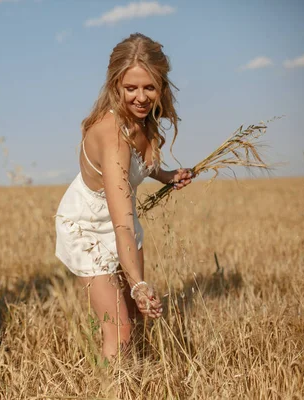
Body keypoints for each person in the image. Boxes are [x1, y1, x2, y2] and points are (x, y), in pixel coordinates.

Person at [54, 33, 193, 360]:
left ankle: (137, 383)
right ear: (115, 85)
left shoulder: (145, 123)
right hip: (88, 228)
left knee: (138, 317)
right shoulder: (111, 136)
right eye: (131, 88)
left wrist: (167, 176)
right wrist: (138, 283)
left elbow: (141, 165)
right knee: (119, 329)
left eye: (150, 87)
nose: (141, 98)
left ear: (162, 86)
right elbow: (122, 225)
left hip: (123, 219)